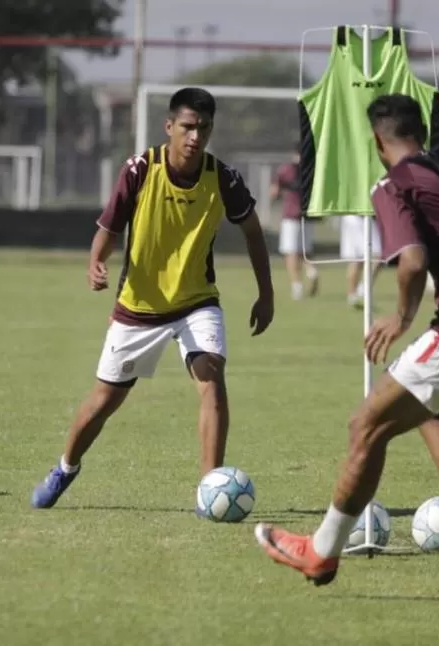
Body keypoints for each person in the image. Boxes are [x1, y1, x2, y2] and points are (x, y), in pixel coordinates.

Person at [253, 94, 439, 599]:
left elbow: (412, 260)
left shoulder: (394, 184)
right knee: (421, 401)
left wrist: (401, 316)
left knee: (364, 425)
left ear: (377, 141)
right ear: (424, 132)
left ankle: (320, 553)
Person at [32, 87, 275, 509]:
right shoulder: (141, 169)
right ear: (169, 126)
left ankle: (209, 491)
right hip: (140, 307)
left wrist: (266, 293)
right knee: (104, 401)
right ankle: (65, 468)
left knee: (211, 381)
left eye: (203, 128)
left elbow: (253, 232)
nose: (195, 137)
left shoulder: (223, 178)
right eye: (187, 127)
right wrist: (95, 262)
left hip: (197, 302)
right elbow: (108, 228)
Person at [271, 149, 319, 300]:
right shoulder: (312, 169)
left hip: (291, 215)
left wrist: (276, 197)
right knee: (305, 251)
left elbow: (274, 191)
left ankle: (296, 286)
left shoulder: (286, 170)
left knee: (290, 251)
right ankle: (312, 270)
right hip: (307, 215)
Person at [340, 214, 382, 309]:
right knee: (375, 256)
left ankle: (354, 294)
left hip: (355, 218)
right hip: (360, 218)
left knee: (357, 259)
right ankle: (358, 291)